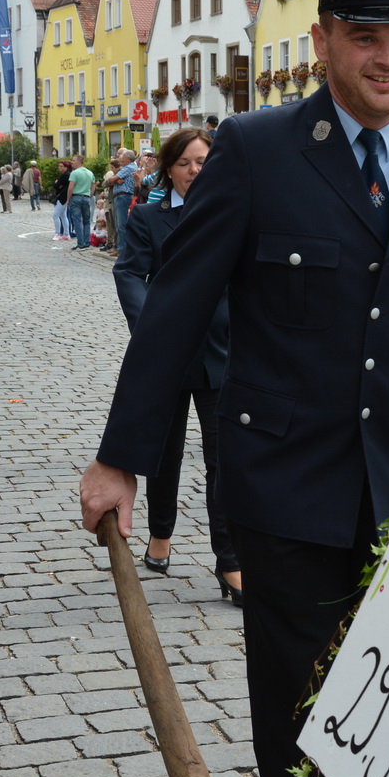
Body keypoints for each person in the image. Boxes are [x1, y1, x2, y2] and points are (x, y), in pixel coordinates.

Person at [78, 0, 389, 777]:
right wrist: (122, 457)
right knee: (301, 716)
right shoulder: (257, 148)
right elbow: (177, 312)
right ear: (324, 43)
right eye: (365, 37)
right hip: (287, 488)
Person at [112, 128, 241, 604]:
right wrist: (153, 331)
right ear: (168, 169)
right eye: (185, 163)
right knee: (163, 453)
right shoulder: (148, 218)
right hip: (167, 355)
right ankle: (160, 535)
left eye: (203, 162)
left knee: (222, 458)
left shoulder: (230, 217)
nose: (194, 171)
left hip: (221, 351)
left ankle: (230, 560)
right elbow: (129, 272)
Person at [103, 149, 139, 254]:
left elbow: (111, 180)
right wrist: (113, 180)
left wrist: (114, 180)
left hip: (123, 196)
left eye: (121, 157)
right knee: (119, 224)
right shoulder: (128, 167)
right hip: (121, 196)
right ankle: (120, 247)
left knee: (121, 224)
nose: (119, 159)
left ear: (127, 158)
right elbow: (108, 182)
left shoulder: (128, 168)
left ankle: (122, 249)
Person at [65, 158, 95, 250]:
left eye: (74, 160)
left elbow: (70, 188)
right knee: (87, 221)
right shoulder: (90, 173)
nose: (72, 162)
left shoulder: (75, 173)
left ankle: (80, 243)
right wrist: (90, 196)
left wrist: (68, 199)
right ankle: (87, 241)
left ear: (79, 161)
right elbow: (93, 186)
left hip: (76, 197)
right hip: (86, 197)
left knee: (77, 221)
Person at [51, 161, 72, 240]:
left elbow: (56, 185)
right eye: (59, 166)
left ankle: (57, 233)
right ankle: (66, 233)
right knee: (63, 215)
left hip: (62, 197)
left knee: (55, 215)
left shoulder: (65, 175)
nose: (59, 168)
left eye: (61, 166)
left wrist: (56, 183)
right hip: (64, 197)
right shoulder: (68, 174)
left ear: (66, 167)